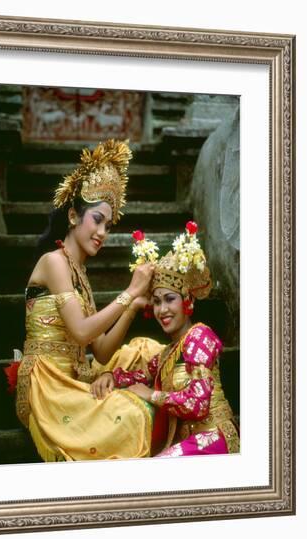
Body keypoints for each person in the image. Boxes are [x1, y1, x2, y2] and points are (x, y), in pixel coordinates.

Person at [15, 139, 160, 461]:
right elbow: (81, 332)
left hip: (78, 373)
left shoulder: (79, 271)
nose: (103, 232)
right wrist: (131, 292)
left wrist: (132, 307)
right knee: (134, 414)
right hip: (49, 385)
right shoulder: (54, 262)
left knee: (148, 351)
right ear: (72, 216)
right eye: (97, 219)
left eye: (108, 225)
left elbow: (102, 350)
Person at [103, 221, 240, 457]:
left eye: (169, 299)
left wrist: (151, 395)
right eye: (156, 302)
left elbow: (198, 403)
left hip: (213, 439)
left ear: (188, 300)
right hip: (188, 443)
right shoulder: (168, 353)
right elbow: (138, 376)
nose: (162, 309)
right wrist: (110, 376)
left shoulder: (199, 336)